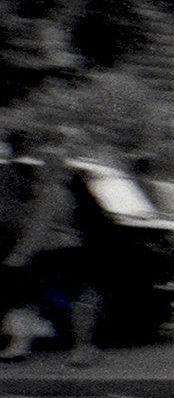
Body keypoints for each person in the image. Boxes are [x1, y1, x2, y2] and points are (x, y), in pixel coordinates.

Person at [0, 131, 101, 366]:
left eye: (43, 165)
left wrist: (20, 255)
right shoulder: (64, 193)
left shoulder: (49, 194)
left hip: (54, 254)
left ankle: (25, 346)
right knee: (64, 300)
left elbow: (39, 228)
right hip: (66, 251)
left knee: (34, 300)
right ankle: (80, 348)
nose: (37, 170)